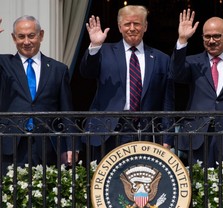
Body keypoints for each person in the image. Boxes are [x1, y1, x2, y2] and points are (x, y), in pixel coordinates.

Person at [80, 5, 174, 162]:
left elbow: (167, 102)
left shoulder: (161, 59)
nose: (132, 28)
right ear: (119, 27)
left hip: (146, 133)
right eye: (127, 24)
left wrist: (167, 138)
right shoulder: (103, 51)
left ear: (145, 26)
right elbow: (86, 73)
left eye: (137, 24)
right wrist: (95, 46)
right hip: (108, 132)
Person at [0, 15, 79, 172]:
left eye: (31, 35)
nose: (26, 42)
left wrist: (72, 146)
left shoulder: (58, 69)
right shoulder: (4, 64)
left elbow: (66, 110)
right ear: (13, 38)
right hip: (11, 144)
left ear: (41, 35)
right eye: (21, 36)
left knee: (45, 194)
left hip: (47, 145)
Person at [170, 9, 223, 167]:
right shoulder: (193, 62)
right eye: (207, 36)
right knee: (199, 184)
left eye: (217, 36)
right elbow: (175, 74)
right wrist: (182, 39)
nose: (212, 41)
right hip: (198, 134)